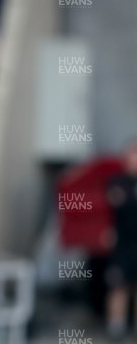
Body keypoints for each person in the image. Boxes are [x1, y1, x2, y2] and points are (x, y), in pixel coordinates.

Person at [105, 140, 137, 341]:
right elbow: (116, 201)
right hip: (123, 244)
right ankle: (116, 328)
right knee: (118, 286)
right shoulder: (117, 181)